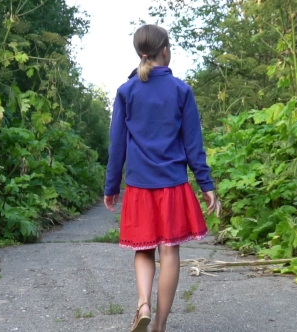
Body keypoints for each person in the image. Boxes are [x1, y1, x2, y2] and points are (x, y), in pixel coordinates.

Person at [103, 24, 220, 332]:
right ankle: (159, 326)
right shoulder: (181, 90)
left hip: (140, 186)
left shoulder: (126, 91)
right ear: (165, 50)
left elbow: (117, 146)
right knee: (169, 251)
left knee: (143, 248)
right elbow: (194, 144)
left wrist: (111, 187)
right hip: (173, 185)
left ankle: (143, 303)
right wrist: (206, 185)